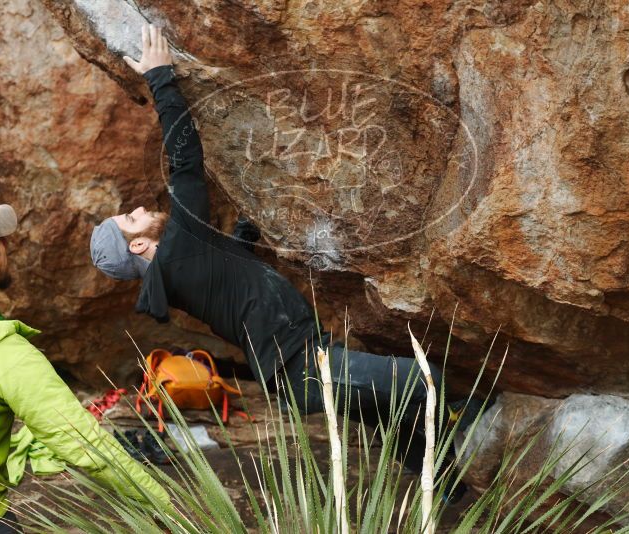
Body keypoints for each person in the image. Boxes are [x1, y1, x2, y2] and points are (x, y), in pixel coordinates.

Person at [92, 25, 480, 480]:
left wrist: (248, 223)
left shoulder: (182, 265)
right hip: (306, 369)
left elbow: (231, 270)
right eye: (131, 219)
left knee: (391, 422)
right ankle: (475, 433)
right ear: (139, 246)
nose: (139, 208)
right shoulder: (177, 250)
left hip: (303, 364)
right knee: (425, 380)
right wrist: (160, 78)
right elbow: (185, 165)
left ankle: (449, 490)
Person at [0, 203, 170, 533]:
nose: (8, 244)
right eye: (0, 240)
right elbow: (83, 444)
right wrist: (162, 505)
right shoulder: (9, 357)